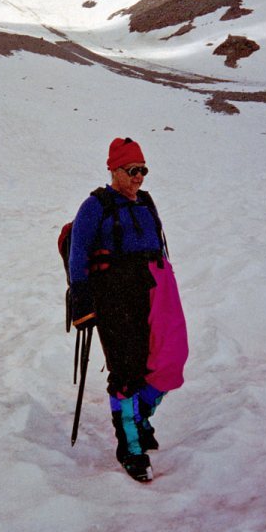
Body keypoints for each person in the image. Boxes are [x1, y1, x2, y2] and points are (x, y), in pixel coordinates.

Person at [68, 137, 188, 483]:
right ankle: (130, 444)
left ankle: (139, 415)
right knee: (127, 370)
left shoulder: (146, 202)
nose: (139, 177)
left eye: (143, 170)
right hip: (115, 298)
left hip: (153, 292)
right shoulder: (96, 206)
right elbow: (79, 254)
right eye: (132, 170)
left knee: (170, 358)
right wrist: (83, 302)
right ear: (114, 169)